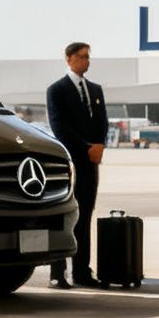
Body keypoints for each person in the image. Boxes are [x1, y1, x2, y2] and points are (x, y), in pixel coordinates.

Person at [45, 41, 108, 289]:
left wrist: (99, 145)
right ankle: (57, 272)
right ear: (69, 59)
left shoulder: (95, 90)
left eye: (88, 57)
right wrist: (85, 147)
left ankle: (82, 271)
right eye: (82, 57)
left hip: (91, 162)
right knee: (64, 216)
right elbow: (59, 127)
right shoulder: (56, 90)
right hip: (70, 162)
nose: (87, 61)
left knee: (85, 215)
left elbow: (102, 122)